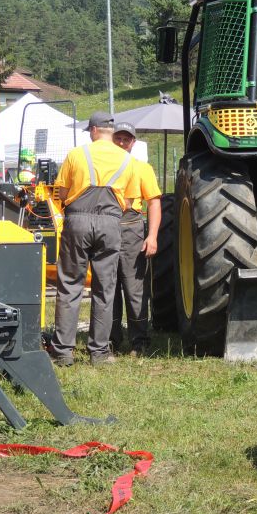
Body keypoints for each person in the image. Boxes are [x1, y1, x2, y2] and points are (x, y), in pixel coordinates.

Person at [47, 112, 138, 366]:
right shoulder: (126, 159)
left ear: (95, 130)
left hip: (77, 221)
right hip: (110, 223)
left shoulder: (76, 154)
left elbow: (62, 193)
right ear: (111, 132)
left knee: (70, 285)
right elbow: (129, 201)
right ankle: (99, 352)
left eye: (90, 131)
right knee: (105, 289)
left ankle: (63, 352)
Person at [109, 122, 162, 353]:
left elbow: (154, 202)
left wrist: (152, 236)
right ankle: (110, 339)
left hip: (132, 228)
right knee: (107, 287)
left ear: (133, 142)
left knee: (134, 287)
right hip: (106, 227)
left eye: (126, 139)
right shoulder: (103, 167)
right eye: (117, 138)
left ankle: (139, 341)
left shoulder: (142, 168)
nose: (121, 143)